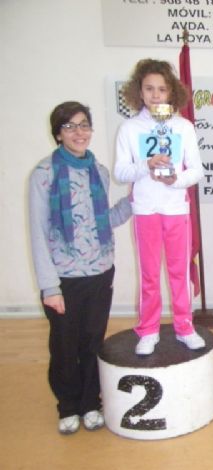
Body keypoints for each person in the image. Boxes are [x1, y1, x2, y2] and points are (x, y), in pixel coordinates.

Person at [29, 101, 132, 434]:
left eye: (84, 125)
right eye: (70, 126)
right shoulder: (44, 174)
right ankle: (68, 406)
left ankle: (90, 403)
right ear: (58, 133)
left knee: (92, 343)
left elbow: (105, 220)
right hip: (64, 278)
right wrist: (50, 287)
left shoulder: (98, 171)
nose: (79, 132)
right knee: (64, 346)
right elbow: (38, 232)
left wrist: (133, 200)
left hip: (100, 271)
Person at [114, 59, 205, 355]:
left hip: (176, 209)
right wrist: (146, 166)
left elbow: (197, 171)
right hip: (145, 211)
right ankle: (148, 329)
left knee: (179, 272)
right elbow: (121, 172)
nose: (155, 95)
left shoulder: (183, 127)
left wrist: (176, 180)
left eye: (162, 89)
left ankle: (185, 326)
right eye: (149, 88)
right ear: (139, 91)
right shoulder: (129, 128)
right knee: (149, 275)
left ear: (171, 92)